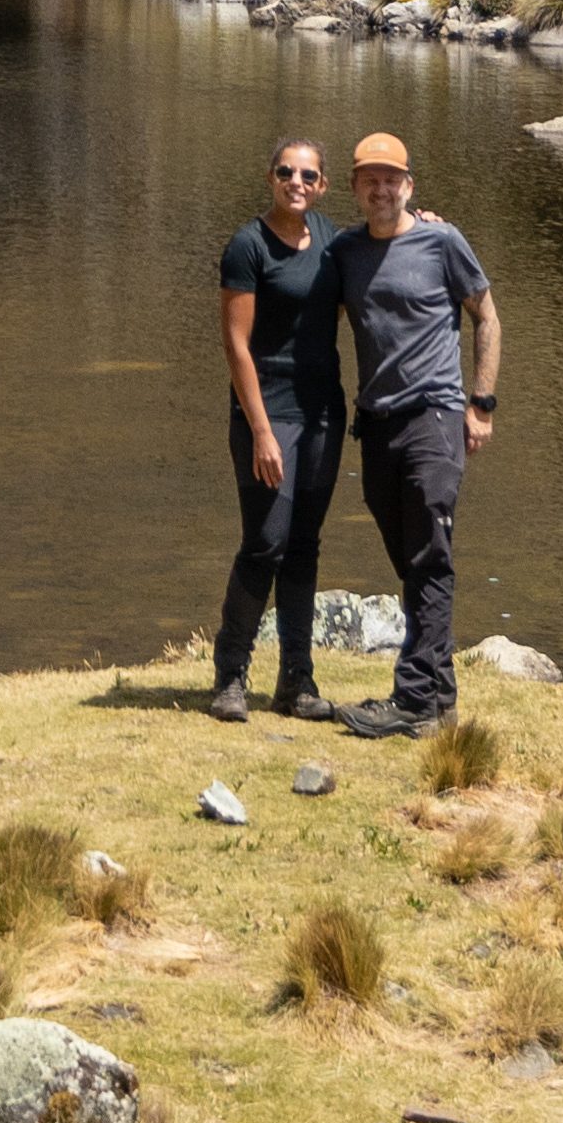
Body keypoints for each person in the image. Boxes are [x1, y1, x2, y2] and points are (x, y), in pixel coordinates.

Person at [322, 128, 500, 732]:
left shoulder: (441, 240)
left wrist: (481, 404)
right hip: (374, 423)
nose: (381, 189)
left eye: (391, 179)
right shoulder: (344, 251)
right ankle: (439, 694)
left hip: (434, 417)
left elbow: (487, 316)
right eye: (369, 179)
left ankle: (416, 700)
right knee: (412, 557)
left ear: (409, 185)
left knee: (429, 553)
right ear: (354, 187)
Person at [209, 136, 343, 723]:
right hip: (268, 413)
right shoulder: (248, 245)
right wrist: (261, 431)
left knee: (304, 547)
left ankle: (297, 682)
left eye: (308, 175)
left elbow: (385, 246)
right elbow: (236, 345)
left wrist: (425, 219)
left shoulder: (334, 240)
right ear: (270, 177)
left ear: (323, 185)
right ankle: (230, 677)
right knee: (266, 541)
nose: (297, 182)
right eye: (287, 172)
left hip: (322, 415)